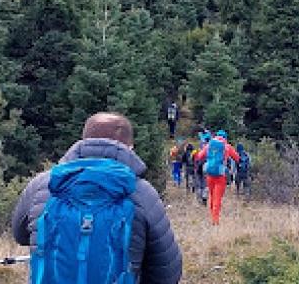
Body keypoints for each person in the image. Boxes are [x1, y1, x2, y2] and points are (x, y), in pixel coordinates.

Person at [11, 112, 183, 284]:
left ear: (83, 140)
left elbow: (20, 235)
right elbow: (167, 271)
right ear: (130, 147)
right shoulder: (142, 192)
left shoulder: (41, 184)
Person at [194, 129, 240, 225]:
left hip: (209, 174)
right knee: (217, 198)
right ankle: (215, 220)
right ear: (225, 138)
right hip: (220, 176)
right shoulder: (227, 147)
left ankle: (212, 216)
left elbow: (199, 156)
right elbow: (237, 158)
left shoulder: (209, 145)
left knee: (211, 196)